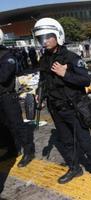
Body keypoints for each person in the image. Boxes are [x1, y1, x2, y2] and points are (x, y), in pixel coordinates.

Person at [32, 18, 91, 194]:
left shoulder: (71, 58)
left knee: (87, 145)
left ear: (57, 35)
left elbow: (85, 80)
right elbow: (43, 80)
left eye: (47, 37)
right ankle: (75, 168)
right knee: (66, 142)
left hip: (73, 109)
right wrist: (39, 94)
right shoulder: (44, 59)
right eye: (41, 38)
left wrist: (65, 73)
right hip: (55, 109)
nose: (44, 41)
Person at [0, 28, 35, 167]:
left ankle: (28, 151)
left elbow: (3, 76)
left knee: (17, 125)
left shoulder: (7, 55)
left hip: (7, 97)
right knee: (3, 127)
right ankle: (12, 150)